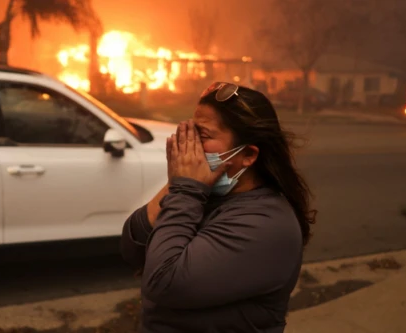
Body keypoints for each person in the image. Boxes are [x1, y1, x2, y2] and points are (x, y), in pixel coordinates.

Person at [120, 82, 316, 333]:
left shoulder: (266, 224)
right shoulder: (200, 194)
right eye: (189, 133)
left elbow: (163, 282)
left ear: (248, 154)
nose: (189, 146)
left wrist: (185, 188)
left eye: (202, 137)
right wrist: (178, 182)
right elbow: (132, 245)